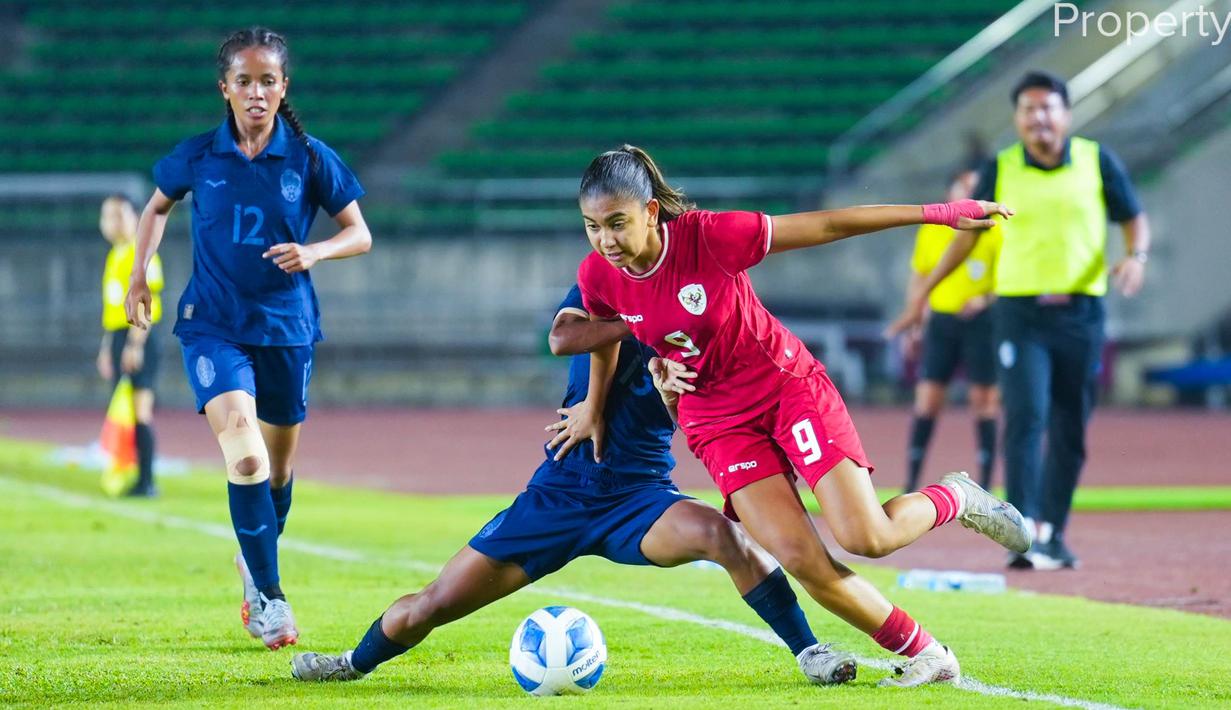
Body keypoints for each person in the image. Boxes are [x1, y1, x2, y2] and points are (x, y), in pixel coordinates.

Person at [571, 145, 1031, 688]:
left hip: (784, 387)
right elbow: (605, 333)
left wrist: (936, 213)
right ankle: (928, 653)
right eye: (592, 226)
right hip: (716, 422)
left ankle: (958, 497)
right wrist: (598, 401)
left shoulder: (710, 237)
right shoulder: (599, 273)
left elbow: (831, 223)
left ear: (650, 212)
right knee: (800, 558)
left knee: (867, 537)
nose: (606, 241)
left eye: (617, 224)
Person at [289, 286, 857, 686]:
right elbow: (564, 336)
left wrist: (672, 392)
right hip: (560, 492)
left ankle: (809, 651)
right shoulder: (604, 281)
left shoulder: (700, 322)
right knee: (431, 606)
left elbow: (700, 409)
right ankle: (350, 663)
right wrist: (592, 401)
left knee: (726, 538)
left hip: (640, 496)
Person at [124, 27, 371, 650]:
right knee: (247, 455)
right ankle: (270, 601)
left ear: (283, 86)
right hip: (212, 323)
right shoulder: (198, 156)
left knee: (279, 470)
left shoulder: (311, 157)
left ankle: (251, 558)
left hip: (287, 328)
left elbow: (359, 233)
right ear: (224, 89)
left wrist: (315, 250)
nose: (255, 93)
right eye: (243, 81)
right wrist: (138, 279)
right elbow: (155, 207)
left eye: (267, 81)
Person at [889, 71, 1150, 570]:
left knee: (1070, 422)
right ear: (1017, 119)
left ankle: (1055, 531)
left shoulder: (1098, 161)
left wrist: (1137, 255)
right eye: (1028, 110)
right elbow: (965, 236)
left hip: (1081, 311)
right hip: (1020, 313)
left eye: (1048, 107)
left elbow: (1133, 215)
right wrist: (924, 293)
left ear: (1066, 114)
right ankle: (1025, 532)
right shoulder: (1001, 167)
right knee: (1026, 414)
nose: (1039, 118)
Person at [895, 170, 1002, 493]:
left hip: (982, 324)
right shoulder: (932, 232)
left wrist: (984, 298)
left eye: (975, 188)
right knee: (927, 401)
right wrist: (914, 323)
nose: (970, 192)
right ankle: (911, 481)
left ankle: (985, 485)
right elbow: (919, 277)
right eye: (964, 186)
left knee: (984, 401)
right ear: (950, 191)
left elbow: (1010, 280)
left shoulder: (994, 231)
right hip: (942, 322)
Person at [98, 194, 164, 497]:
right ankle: (132, 472)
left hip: (138, 338)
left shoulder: (142, 251)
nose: (112, 222)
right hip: (118, 337)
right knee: (124, 409)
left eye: (119, 215)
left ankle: (146, 480)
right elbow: (113, 308)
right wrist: (106, 347)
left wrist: (135, 345)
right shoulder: (116, 254)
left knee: (140, 410)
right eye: (107, 216)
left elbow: (145, 304)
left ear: (135, 217)